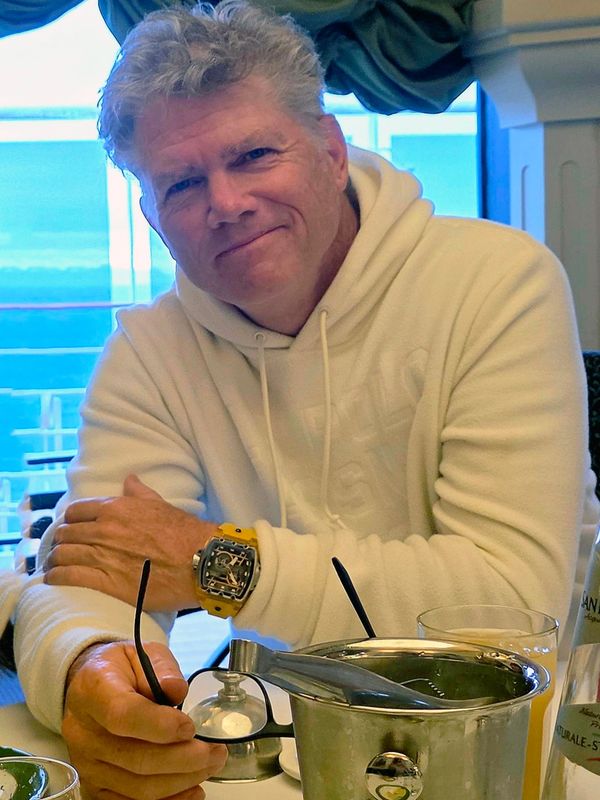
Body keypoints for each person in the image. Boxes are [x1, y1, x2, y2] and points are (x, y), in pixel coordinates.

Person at [8, 1, 599, 798]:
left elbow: (508, 608)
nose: (226, 202)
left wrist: (216, 564)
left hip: (521, 750)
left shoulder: (499, 283)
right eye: (182, 182)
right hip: (301, 748)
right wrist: (92, 670)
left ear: (330, 150)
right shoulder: (151, 350)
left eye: (254, 154)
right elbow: (92, 576)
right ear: (151, 215)